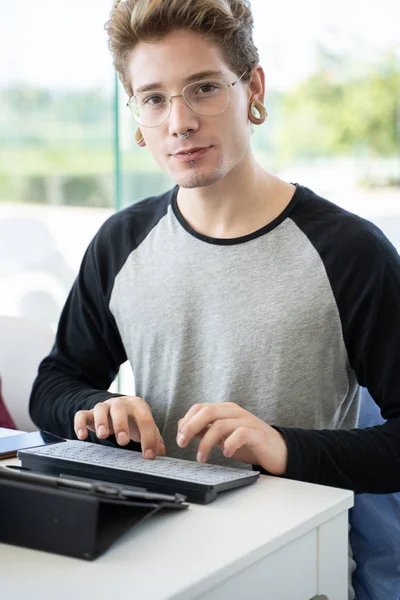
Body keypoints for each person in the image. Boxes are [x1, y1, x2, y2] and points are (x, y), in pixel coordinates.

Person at [29, 1, 400, 596]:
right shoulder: (120, 243)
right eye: (153, 98)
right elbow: (54, 383)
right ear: (136, 115)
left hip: (294, 567)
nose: (179, 121)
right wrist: (95, 407)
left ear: (252, 87)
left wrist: (283, 447)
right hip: (146, 562)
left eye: (203, 88)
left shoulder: (352, 252)